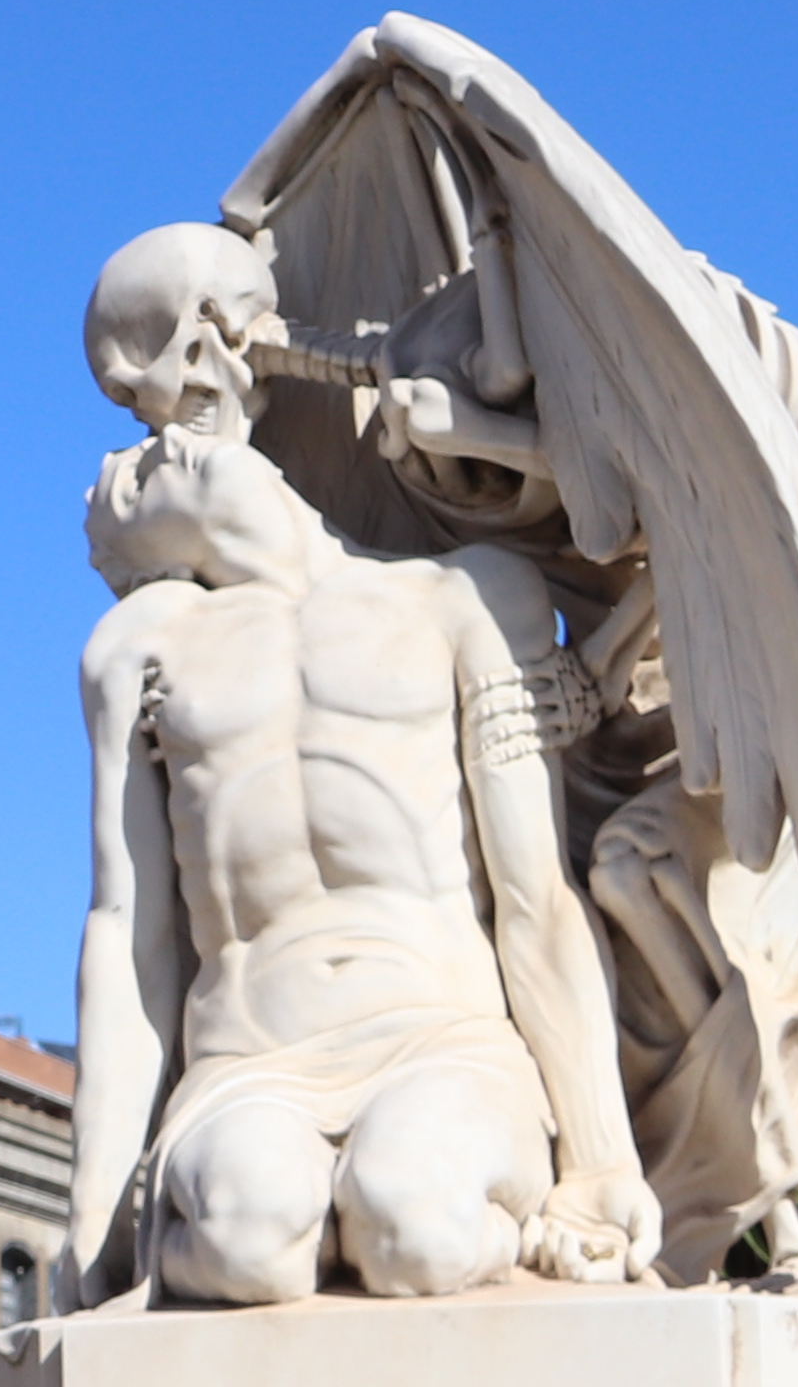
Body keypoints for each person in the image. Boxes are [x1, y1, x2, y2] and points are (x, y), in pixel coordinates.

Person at [63, 398, 662, 1307]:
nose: (162, 444)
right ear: (141, 558)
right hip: (250, 1063)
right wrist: (95, 1211)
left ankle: (485, 1226)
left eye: (157, 442)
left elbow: (536, 893)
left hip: (444, 1040)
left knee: (415, 1225)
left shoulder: (468, 593)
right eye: (132, 480)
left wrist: (599, 1158)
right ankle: (184, 1243)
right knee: (244, 1241)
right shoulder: (143, 650)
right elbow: (127, 930)